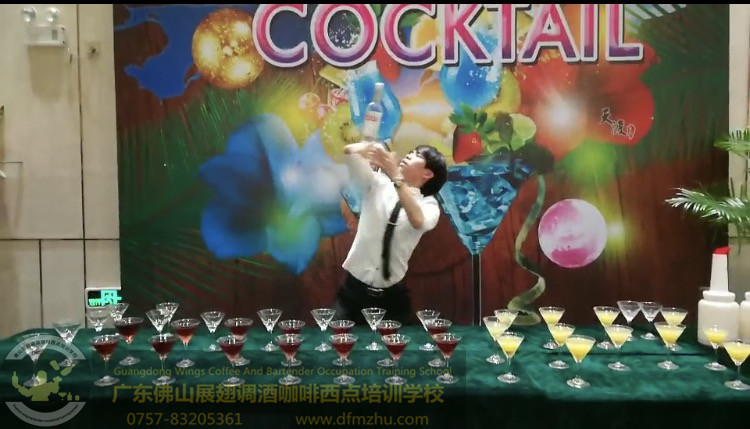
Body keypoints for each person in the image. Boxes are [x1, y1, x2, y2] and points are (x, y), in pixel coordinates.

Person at [334, 141, 448, 325]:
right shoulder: (377, 182)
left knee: (396, 343)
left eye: (417, 154)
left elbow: (418, 221)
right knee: (339, 339)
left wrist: (395, 175)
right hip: (353, 292)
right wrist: (367, 147)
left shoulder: (429, 205)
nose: (409, 154)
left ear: (428, 173)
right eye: (410, 151)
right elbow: (348, 153)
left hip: (393, 297)